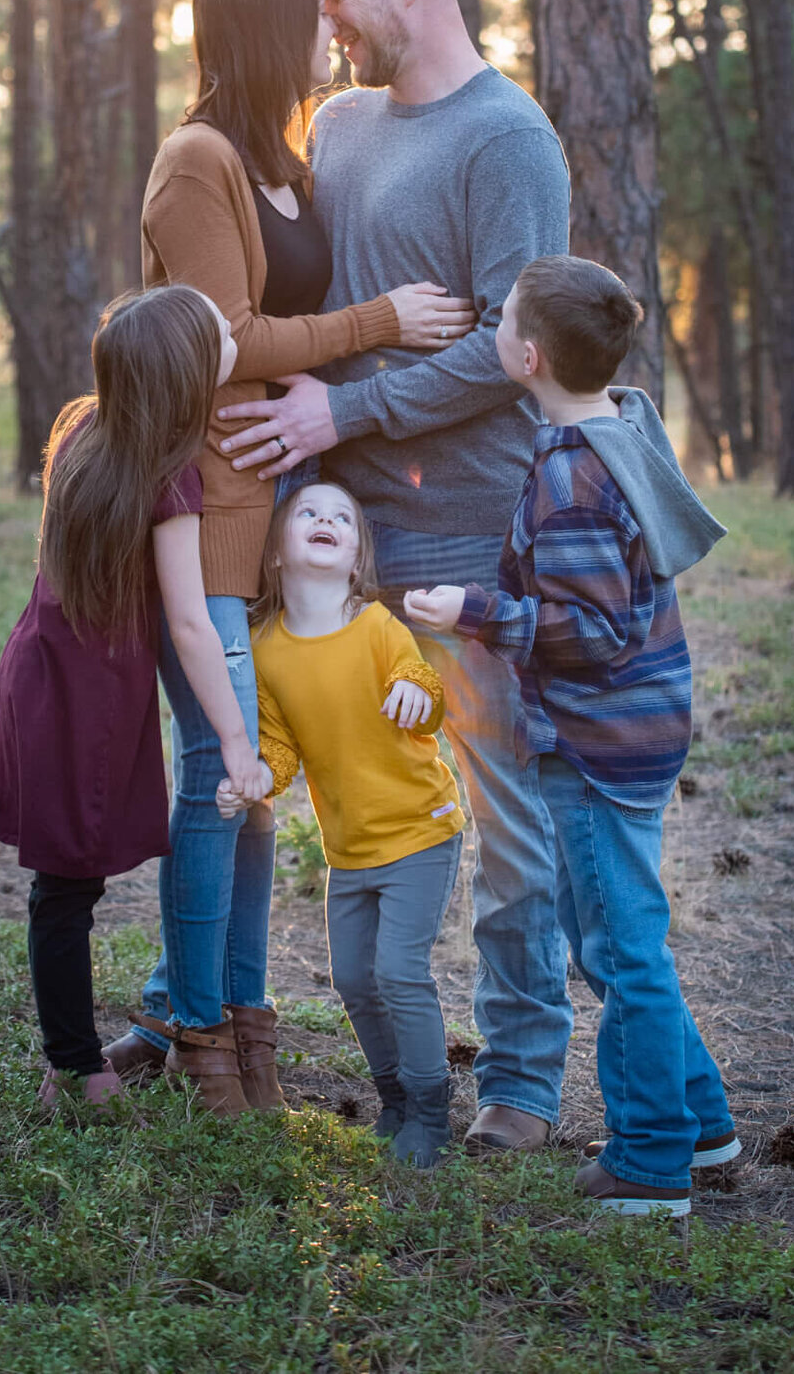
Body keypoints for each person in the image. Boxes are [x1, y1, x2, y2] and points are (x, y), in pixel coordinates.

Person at [216, 0, 577, 1154]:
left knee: (509, 821)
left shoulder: (508, 141)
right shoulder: (343, 122)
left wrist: (343, 408)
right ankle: (205, 1023)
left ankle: (523, 1082)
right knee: (304, 782)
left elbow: (510, 344)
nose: (322, 22)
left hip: (473, 535)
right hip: (339, 543)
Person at [111, 0, 474, 1107]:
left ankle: (217, 1023)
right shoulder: (195, 163)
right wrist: (378, 322)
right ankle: (207, 1042)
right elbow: (222, 337)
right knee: (221, 783)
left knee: (254, 792)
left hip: (267, 514)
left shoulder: (286, 159)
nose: (333, 32)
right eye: (313, 14)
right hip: (201, 509)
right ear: (271, 28)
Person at [406, 255, 733, 1215]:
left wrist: (476, 608)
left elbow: (589, 633)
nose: (493, 327)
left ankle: (650, 1160)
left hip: (596, 744)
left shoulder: (570, 475)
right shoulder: (618, 423)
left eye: (503, 319)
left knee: (620, 948)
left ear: (528, 354)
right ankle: (702, 1123)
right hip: (637, 729)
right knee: (620, 936)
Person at [0, 286, 272, 1113]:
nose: (229, 339)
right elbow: (190, 623)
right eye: (217, 337)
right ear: (187, 376)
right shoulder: (172, 481)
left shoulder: (79, 429)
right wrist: (236, 742)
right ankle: (74, 1068)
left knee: (63, 884)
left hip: (41, 671)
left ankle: (76, 1059)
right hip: (88, 703)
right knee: (66, 888)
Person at [218, 480, 466, 1165]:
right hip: (349, 849)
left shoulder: (377, 625)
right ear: (274, 552)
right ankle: (393, 1101)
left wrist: (417, 689)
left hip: (421, 826)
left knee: (398, 970)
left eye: (341, 518)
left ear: (357, 557)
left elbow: (423, 678)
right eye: (308, 512)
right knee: (353, 978)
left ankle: (432, 1114)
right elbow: (280, 746)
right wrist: (257, 780)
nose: (325, 519)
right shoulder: (265, 648)